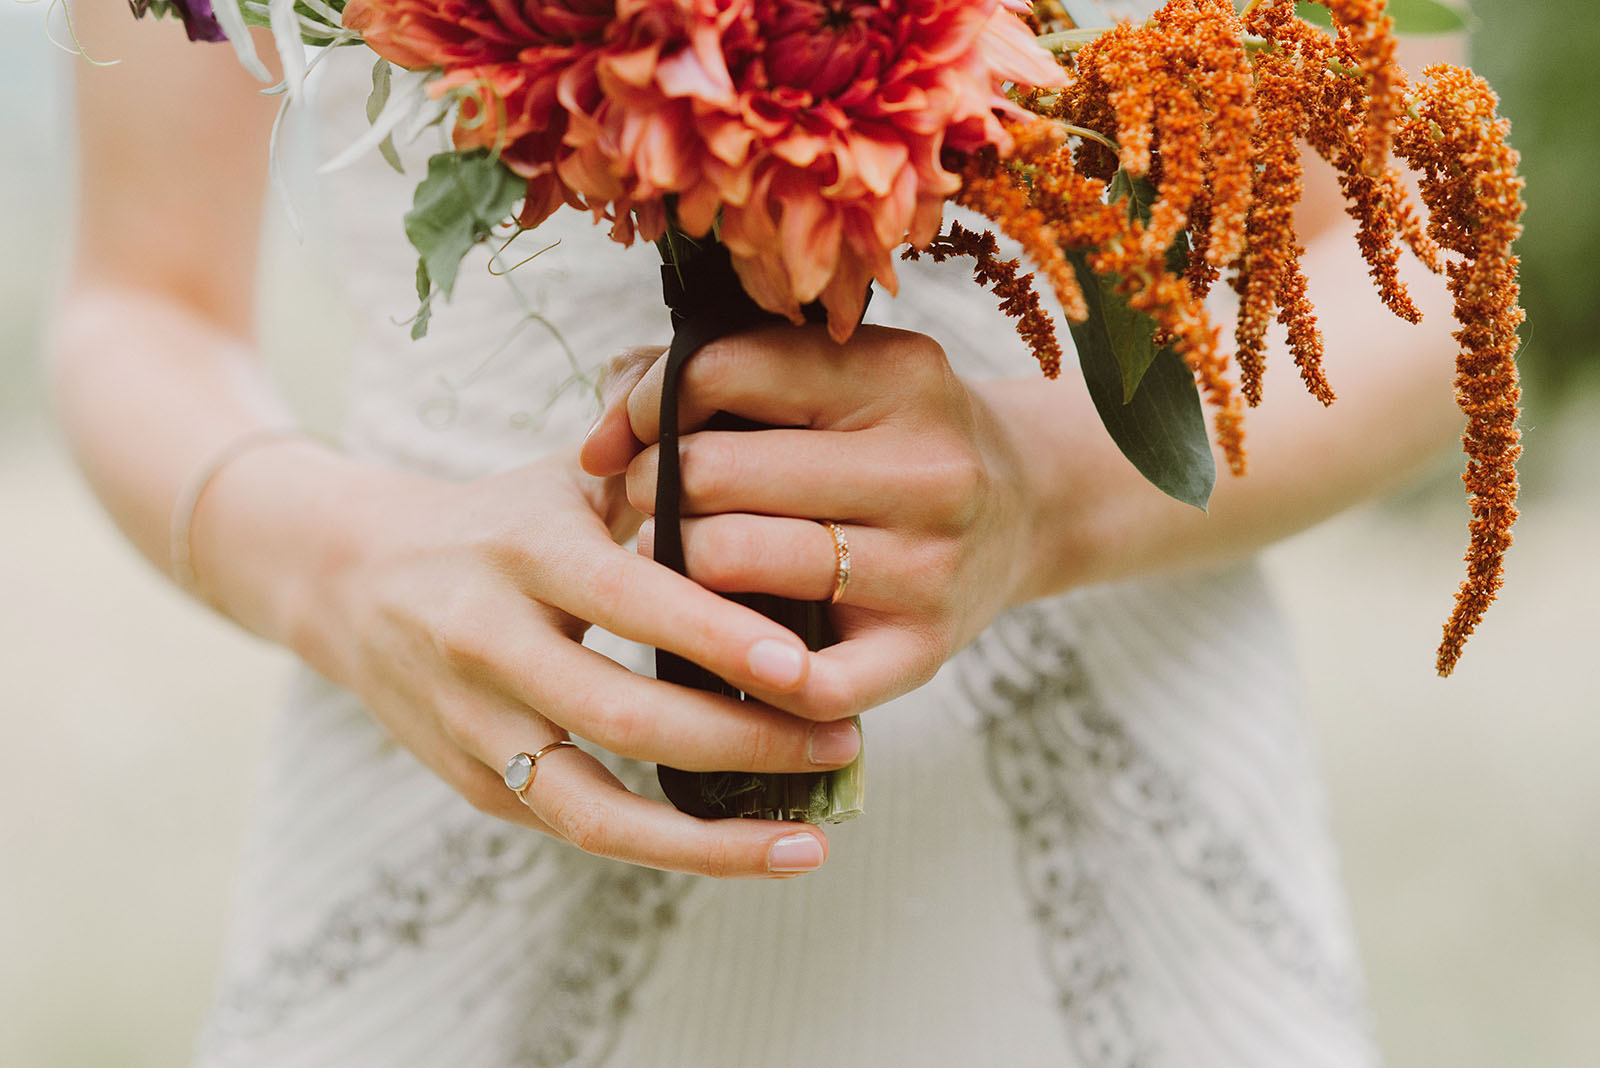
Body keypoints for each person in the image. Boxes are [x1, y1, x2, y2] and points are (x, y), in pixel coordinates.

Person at [54, 5, 1466, 1066]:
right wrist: (344, 567)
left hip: (1115, 889)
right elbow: (141, 299)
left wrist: (1044, 496)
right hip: (449, 828)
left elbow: (1425, 249)